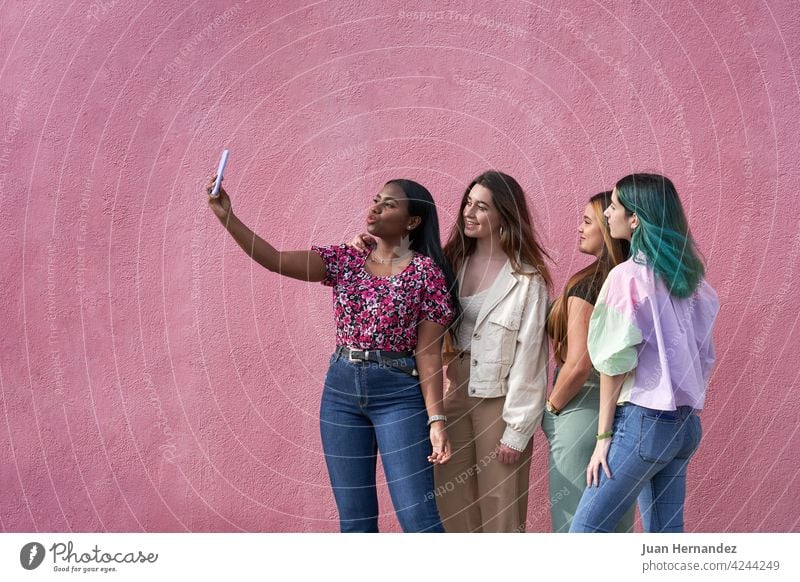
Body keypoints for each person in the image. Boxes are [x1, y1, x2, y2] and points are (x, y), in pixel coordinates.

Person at [206, 174, 459, 532]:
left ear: (412, 221)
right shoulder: (346, 259)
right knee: (355, 522)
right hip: (340, 392)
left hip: (398, 395)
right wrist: (226, 215)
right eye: (376, 199)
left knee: (418, 519)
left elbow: (429, 354)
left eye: (390, 204)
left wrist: (436, 421)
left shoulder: (425, 273)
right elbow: (275, 259)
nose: (376, 207)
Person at [355, 171, 551, 532]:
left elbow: (532, 360)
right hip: (453, 397)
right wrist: (368, 247)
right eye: (467, 203)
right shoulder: (447, 264)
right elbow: (399, 278)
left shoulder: (526, 280)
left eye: (482, 207)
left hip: (500, 403)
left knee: (500, 510)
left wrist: (518, 430)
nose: (469, 213)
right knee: (450, 504)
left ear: (504, 216)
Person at [569, 173, 719, 533]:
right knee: (666, 541)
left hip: (644, 423)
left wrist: (603, 438)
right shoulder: (694, 282)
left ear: (635, 219)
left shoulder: (628, 276)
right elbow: (705, 356)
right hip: (684, 424)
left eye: (615, 207)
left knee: (585, 534)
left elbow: (613, 362)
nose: (607, 214)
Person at [542, 191, 634, 533]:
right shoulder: (632, 280)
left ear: (607, 229)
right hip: (620, 415)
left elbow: (578, 364)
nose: (579, 229)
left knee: (572, 523)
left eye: (587, 221)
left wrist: (551, 409)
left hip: (580, 411)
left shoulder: (588, 285)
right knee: (613, 523)